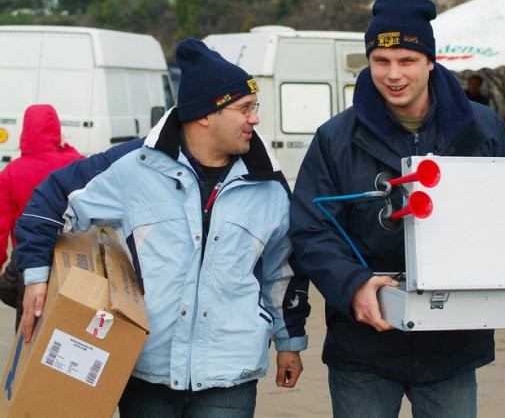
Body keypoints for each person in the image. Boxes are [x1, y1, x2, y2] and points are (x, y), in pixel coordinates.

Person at [289, 0, 505, 418]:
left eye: (407, 60)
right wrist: (353, 286)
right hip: (365, 345)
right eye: (381, 61)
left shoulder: (483, 128)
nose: (393, 74)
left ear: (430, 60)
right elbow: (311, 227)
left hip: (453, 346)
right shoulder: (335, 137)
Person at [17, 39, 310, 417]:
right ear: (206, 114)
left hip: (230, 375)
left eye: (254, 108)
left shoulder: (268, 183)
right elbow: (51, 200)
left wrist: (289, 342)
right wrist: (37, 277)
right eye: (244, 109)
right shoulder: (133, 165)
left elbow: (282, 270)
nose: (255, 119)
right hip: (146, 371)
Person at [0, 104, 83, 331]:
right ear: (57, 130)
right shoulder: (74, 163)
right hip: (70, 261)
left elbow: (1, 227)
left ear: (24, 132)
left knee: (28, 333)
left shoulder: (11, 172)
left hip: (27, 262)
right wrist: (64, 147)